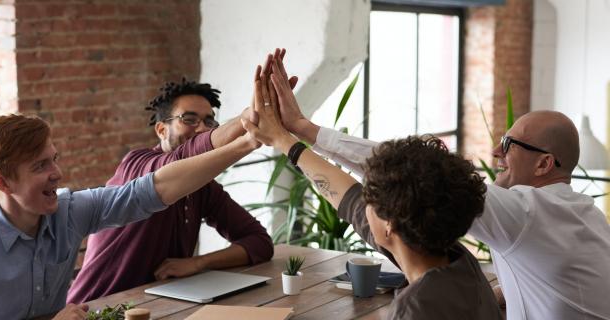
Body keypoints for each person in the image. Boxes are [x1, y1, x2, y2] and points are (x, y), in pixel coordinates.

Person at [267, 54, 610, 319]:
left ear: (544, 163)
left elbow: (408, 172)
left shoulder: (528, 213)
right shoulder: (582, 215)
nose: (495, 151)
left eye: (508, 144)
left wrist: (302, 131)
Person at [241, 60, 503, 319]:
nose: (363, 203)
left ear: (390, 223)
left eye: (371, 198)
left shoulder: (415, 309)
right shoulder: (455, 258)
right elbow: (349, 198)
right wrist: (288, 137)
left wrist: (284, 139)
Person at [0, 113, 259, 319]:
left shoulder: (69, 211)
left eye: (54, 159)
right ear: (3, 184)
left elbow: (154, 188)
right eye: (40, 166)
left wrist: (246, 143)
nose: (57, 173)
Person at [68, 51, 298, 303]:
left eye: (209, 121)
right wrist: (247, 120)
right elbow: (183, 158)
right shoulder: (137, 165)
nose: (201, 127)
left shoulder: (203, 187)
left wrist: (198, 263)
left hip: (161, 307)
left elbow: (259, 242)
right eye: (189, 119)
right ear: (161, 129)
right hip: (97, 308)